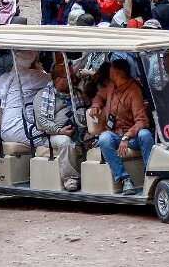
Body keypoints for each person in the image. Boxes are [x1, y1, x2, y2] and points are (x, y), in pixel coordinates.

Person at [90, 58, 152, 195]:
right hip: (115, 135)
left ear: (116, 73)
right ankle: (124, 179)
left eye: (111, 69)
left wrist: (126, 137)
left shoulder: (134, 91)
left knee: (145, 134)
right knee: (104, 138)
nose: (109, 71)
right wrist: (96, 105)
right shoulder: (111, 86)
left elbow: (142, 121)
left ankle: (151, 174)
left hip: (132, 137)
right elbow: (99, 96)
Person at [32, 62, 82, 191]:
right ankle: (70, 178)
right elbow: (42, 121)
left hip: (79, 130)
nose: (74, 80)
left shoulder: (77, 93)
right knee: (65, 141)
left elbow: (86, 109)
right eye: (70, 77)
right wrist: (59, 130)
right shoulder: (42, 95)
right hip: (53, 135)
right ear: (59, 80)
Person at [0, 49, 49, 147]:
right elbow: (58, 82)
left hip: (5, 130)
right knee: (54, 137)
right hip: (23, 129)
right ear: (33, 62)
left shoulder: (5, 77)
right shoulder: (33, 76)